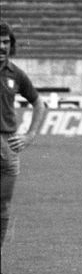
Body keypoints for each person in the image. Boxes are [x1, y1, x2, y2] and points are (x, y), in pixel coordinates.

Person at [1, 21, 48, 249]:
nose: (2, 47)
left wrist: (30, 136)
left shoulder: (16, 74)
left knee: (4, 205)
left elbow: (39, 104)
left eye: (6, 42)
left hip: (8, 148)